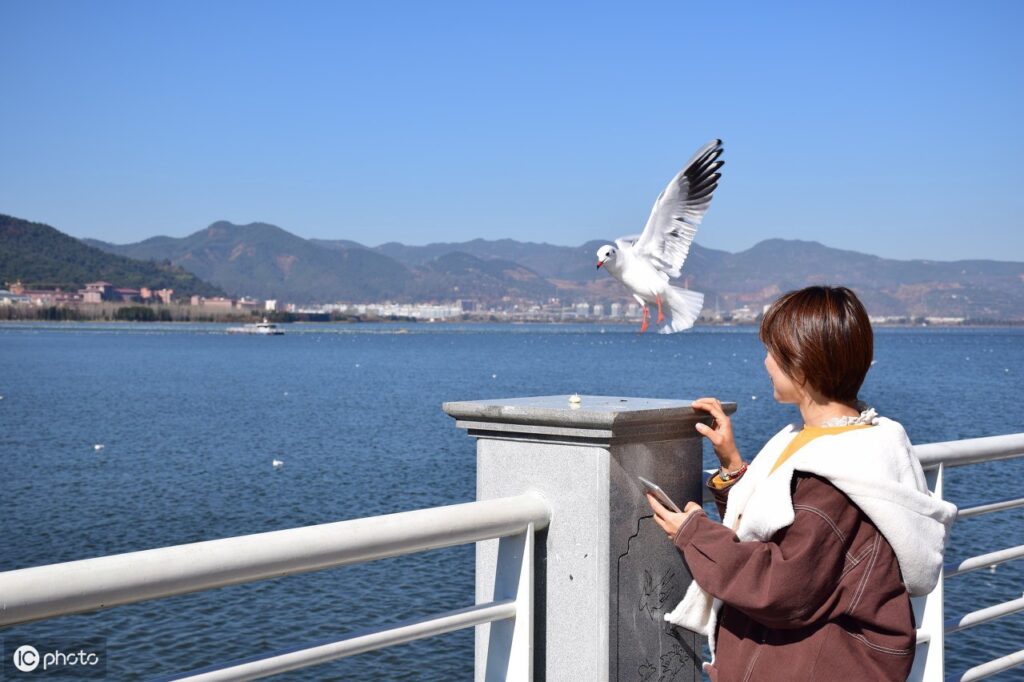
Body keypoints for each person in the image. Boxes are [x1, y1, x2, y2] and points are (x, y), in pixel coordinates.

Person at [646, 286, 957, 681]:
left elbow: (783, 586)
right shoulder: (853, 440)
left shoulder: (835, 473)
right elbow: (789, 536)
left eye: (774, 352)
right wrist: (734, 469)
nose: (766, 363)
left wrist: (694, 535)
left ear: (803, 363)